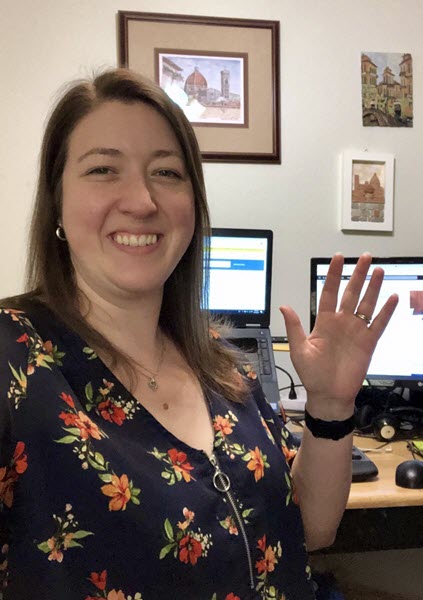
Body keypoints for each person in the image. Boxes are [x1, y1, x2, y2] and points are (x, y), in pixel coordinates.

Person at [0, 68, 398, 600]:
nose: (141, 200)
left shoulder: (222, 365)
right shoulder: (15, 358)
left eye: (166, 172)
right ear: (57, 204)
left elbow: (310, 531)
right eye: (102, 169)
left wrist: (330, 403)